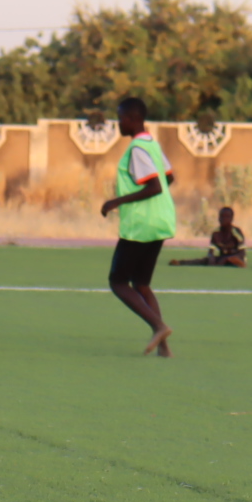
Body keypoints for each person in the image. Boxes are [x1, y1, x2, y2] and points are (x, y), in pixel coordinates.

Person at [97, 96, 175, 355]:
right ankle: (163, 346)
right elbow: (168, 177)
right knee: (141, 284)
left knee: (118, 282)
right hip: (160, 221)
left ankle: (158, 327)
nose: (117, 123)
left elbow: (153, 186)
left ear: (132, 119)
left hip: (140, 226)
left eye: (120, 118)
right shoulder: (152, 144)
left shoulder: (136, 150)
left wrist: (115, 201)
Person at [167, 205, 247, 267]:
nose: (222, 219)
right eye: (221, 216)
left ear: (231, 219)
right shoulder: (216, 233)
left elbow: (242, 253)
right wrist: (211, 257)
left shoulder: (236, 232)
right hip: (222, 258)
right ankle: (180, 263)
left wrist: (227, 258)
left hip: (236, 258)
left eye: (226, 217)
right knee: (204, 260)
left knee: (232, 260)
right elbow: (211, 251)